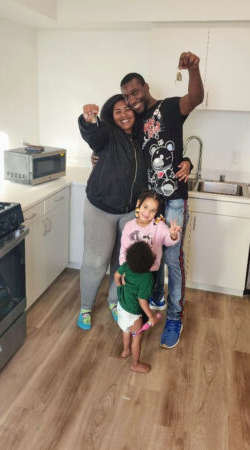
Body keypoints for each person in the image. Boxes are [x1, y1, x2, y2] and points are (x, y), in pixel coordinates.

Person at [118, 51, 204, 349]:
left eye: (135, 92)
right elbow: (114, 141)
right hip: (150, 203)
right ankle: (156, 297)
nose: (132, 99)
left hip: (175, 201)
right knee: (149, 254)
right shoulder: (134, 121)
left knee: (172, 259)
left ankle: (175, 317)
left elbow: (195, 97)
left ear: (145, 88)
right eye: (127, 96)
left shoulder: (169, 108)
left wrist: (194, 69)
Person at [77, 94, 147, 330]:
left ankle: (114, 302)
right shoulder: (107, 133)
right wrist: (89, 121)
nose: (124, 114)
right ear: (111, 116)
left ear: (135, 112)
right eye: (117, 111)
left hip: (129, 212)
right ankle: (85, 307)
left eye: (127, 109)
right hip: (101, 209)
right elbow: (94, 136)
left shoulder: (140, 139)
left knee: (121, 262)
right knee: (95, 262)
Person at [119, 190, 181, 288]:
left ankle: (155, 299)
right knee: (132, 298)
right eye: (145, 207)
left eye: (153, 210)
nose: (147, 213)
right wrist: (124, 270)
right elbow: (124, 250)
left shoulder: (159, 226)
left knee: (145, 297)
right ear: (138, 204)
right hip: (131, 271)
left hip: (150, 272)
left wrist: (173, 235)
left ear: (156, 212)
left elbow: (167, 240)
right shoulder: (128, 226)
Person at [114, 241, 160, 373]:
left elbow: (116, 276)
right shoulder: (147, 278)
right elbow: (142, 300)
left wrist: (119, 286)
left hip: (121, 304)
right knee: (137, 337)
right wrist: (151, 316)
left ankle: (125, 350)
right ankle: (135, 364)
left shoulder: (126, 266)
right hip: (133, 314)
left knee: (125, 330)